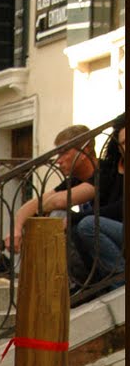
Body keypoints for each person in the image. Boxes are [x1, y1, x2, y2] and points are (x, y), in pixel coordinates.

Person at [4, 124, 98, 256]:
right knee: (56, 214)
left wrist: (42, 208)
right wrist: (17, 229)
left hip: (111, 246)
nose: (58, 161)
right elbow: (31, 205)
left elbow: (58, 201)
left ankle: (52, 273)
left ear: (85, 152)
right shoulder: (75, 178)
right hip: (90, 242)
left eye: (64, 153)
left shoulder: (105, 171)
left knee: (58, 214)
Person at [72, 116, 125, 286]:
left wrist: (77, 217)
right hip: (116, 232)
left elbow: (121, 208)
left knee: (88, 224)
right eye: (123, 143)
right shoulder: (112, 168)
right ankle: (91, 284)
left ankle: (120, 281)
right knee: (71, 227)